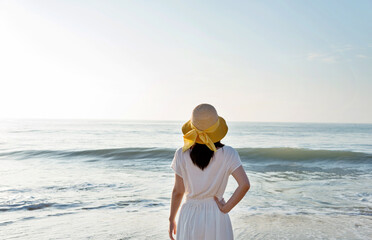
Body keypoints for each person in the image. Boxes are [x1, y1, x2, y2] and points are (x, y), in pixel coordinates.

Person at [168, 103, 250, 240]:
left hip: (189, 213)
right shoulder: (228, 153)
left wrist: (171, 219)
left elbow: (178, 191)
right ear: (217, 129)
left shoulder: (181, 154)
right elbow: (244, 185)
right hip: (216, 213)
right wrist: (226, 207)